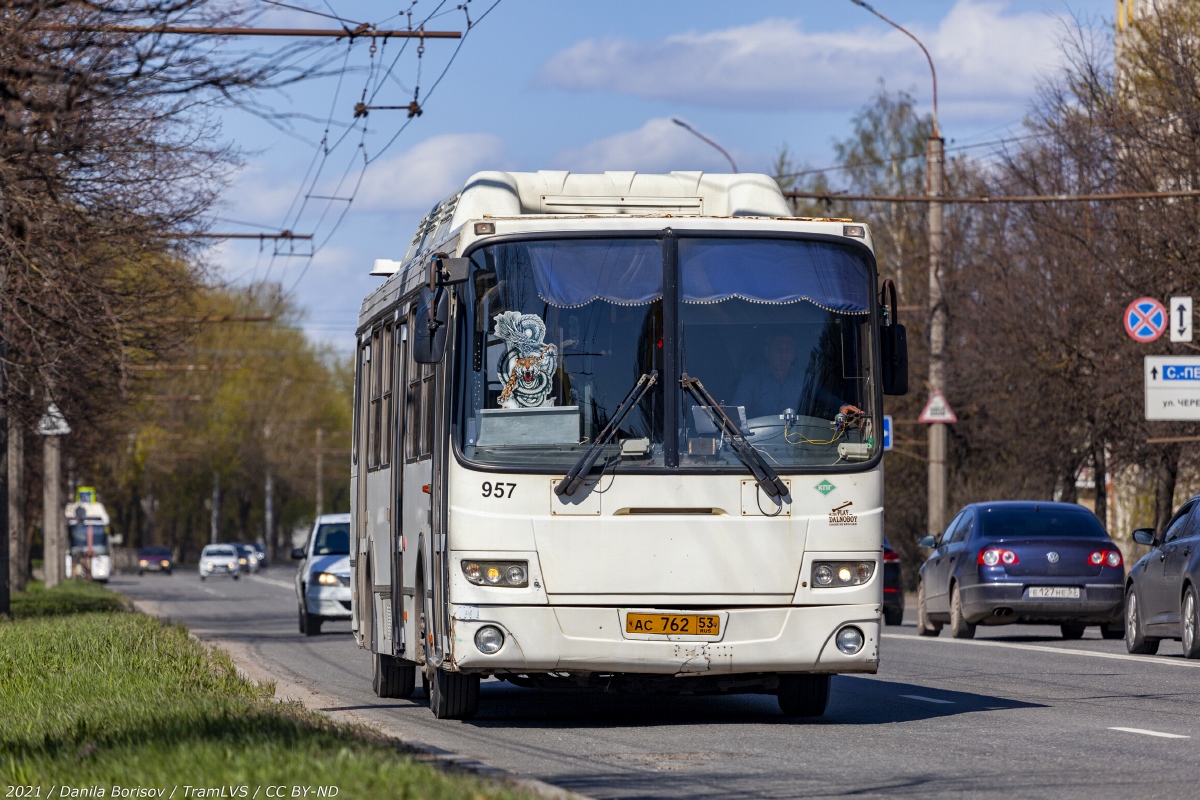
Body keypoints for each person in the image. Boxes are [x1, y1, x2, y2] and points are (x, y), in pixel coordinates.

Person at [732, 333, 863, 421]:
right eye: (778, 348)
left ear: (794, 353)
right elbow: (736, 416)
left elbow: (826, 399)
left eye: (788, 349)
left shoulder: (804, 379)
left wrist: (841, 406)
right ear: (767, 351)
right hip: (759, 447)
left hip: (797, 446)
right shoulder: (752, 380)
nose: (783, 354)